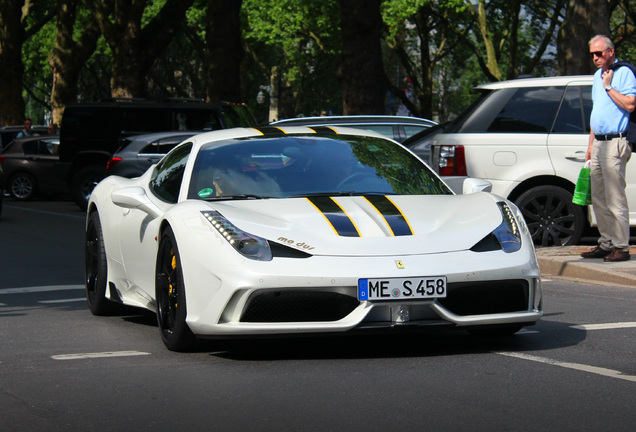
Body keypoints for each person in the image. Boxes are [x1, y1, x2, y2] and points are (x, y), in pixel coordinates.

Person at [581, 35, 636, 262]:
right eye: (592, 54)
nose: (595, 58)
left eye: (599, 53)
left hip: (616, 141)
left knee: (615, 197)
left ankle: (621, 247)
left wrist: (609, 86)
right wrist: (590, 145)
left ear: (611, 52)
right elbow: (598, 111)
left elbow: (630, 104)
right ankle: (606, 243)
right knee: (599, 198)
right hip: (600, 143)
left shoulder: (624, 72)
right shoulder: (596, 75)